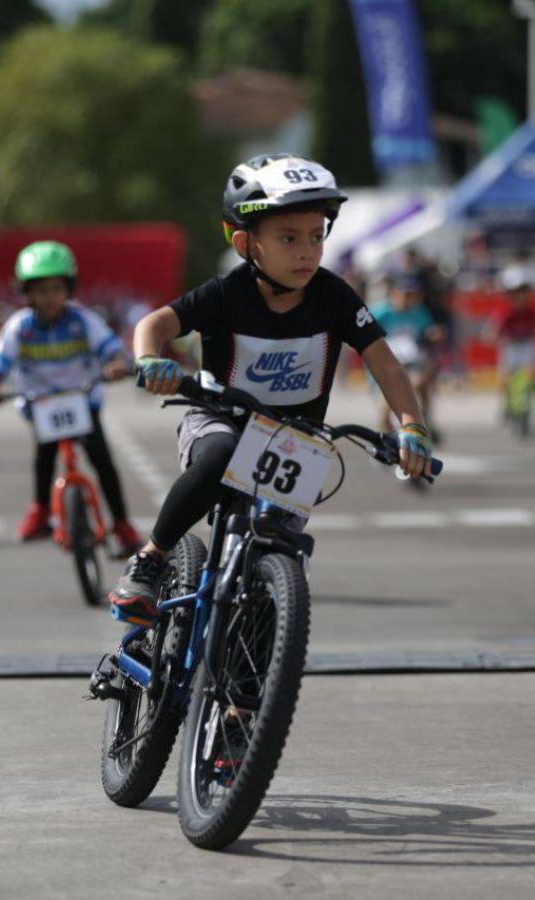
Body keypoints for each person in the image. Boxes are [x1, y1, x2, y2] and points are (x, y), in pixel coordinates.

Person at [109, 154, 432, 623]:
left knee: (275, 573)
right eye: (288, 238)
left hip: (294, 438)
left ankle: (246, 697)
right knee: (220, 453)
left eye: (317, 236)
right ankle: (152, 559)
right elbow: (155, 324)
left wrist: (413, 426)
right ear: (246, 242)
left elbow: (383, 360)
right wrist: (149, 360)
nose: (307, 251)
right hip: (219, 419)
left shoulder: (335, 297)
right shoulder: (226, 293)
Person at [0, 240, 143, 557]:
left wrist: (115, 366)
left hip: (82, 400)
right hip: (40, 402)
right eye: (40, 290)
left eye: (56, 289)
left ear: (68, 289)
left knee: (101, 459)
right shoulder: (19, 326)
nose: (49, 298)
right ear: (27, 293)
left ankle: (122, 526)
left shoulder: (83, 320)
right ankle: (39, 511)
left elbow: (111, 349)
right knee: (44, 455)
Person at [368, 272, 444, 440]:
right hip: (385, 366)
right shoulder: (380, 312)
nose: (409, 299)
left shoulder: (419, 312)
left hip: (410, 363)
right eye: (405, 294)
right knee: (384, 411)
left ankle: (426, 420)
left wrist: (434, 334)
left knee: (419, 381)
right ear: (394, 293)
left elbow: (428, 330)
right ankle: (387, 440)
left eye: (413, 295)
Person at [494, 266, 535, 421]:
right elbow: (495, 328)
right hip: (510, 345)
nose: (521, 297)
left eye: (524, 292)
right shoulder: (506, 311)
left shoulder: (532, 311)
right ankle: (506, 404)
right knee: (506, 375)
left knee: (530, 373)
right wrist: (494, 336)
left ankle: (527, 403)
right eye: (517, 293)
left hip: (527, 344)